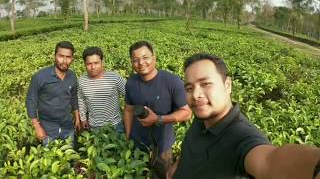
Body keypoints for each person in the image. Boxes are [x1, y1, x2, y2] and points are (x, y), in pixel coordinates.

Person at [168, 53, 320, 179]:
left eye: (206, 84)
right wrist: (177, 166)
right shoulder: (203, 116)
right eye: (189, 88)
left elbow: (270, 161)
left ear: (227, 85)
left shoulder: (242, 138)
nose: (195, 95)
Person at [123, 41, 192, 176]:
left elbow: (187, 113)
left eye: (145, 57)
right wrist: (128, 135)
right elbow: (128, 110)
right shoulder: (131, 82)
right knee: (139, 173)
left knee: (165, 174)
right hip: (138, 143)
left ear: (154, 57)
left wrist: (158, 119)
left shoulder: (172, 81)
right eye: (135, 60)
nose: (141, 63)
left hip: (163, 146)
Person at [26, 41, 80, 146]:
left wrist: (77, 118)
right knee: (50, 158)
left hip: (67, 127)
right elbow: (31, 101)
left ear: (72, 58)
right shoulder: (40, 77)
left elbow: (74, 98)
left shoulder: (72, 77)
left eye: (68, 57)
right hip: (47, 130)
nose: (64, 61)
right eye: (61, 56)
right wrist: (37, 127)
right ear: (54, 56)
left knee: (69, 158)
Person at [78, 46, 126, 132]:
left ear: (102, 62)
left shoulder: (114, 77)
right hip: (94, 127)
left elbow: (129, 94)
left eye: (96, 63)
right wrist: (83, 118)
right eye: (89, 64)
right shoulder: (81, 81)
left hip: (115, 125)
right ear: (84, 63)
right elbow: (81, 100)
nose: (93, 67)